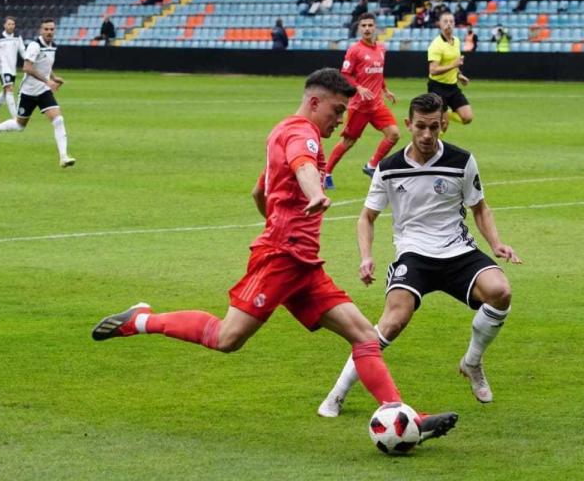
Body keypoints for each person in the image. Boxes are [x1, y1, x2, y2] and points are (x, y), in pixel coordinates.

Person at [91, 69, 458, 442]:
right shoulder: (302, 133)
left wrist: (282, 219)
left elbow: (258, 192)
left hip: (303, 264)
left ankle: (401, 414)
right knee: (227, 338)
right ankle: (141, 320)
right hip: (282, 258)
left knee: (364, 334)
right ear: (314, 103)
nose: (340, 120)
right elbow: (302, 164)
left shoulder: (281, 131)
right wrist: (313, 195)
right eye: (336, 110)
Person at [318, 92, 521, 418]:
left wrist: (496, 243)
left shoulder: (462, 161)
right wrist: (365, 256)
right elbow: (366, 217)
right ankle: (337, 394)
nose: (427, 135)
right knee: (393, 321)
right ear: (408, 124)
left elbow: (480, 208)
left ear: (443, 124)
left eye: (434, 127)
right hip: (414, 254)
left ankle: (471, 362)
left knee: (501, 292)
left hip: (458, 250)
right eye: (421, 127)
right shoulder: (389, 168)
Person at [323, 13, 399, 189]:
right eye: (363, 26)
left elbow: (378, 72)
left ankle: (371, 166)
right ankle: (326, 172)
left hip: (376, 104)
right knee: (349, 142)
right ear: (359, 28)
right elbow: (345, 74)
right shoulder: (354, 50)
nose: (367, 29)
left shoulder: (381, 48)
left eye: (370, 25)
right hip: (360, 106)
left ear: (375, 28)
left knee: (394, 134)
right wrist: (358, 88)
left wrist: (385, 90)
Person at [0, 18, 75, 168]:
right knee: (20, 126)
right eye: (46, 29)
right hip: (28, 92)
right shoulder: (35, 46)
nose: (49, 32)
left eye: (52, 29)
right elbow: (27, 67)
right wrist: (47, 81)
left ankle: (63, 157)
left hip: (44, 92)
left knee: (58, 120)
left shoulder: (53, 46)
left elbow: (45, 64)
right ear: (41, 30)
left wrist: (53, 77)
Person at [427, 9, 472, 125]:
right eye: (445, 21)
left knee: (467, 118)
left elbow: (453, 63)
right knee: (443, 126)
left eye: (451, 22)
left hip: (452, 86)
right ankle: (442, 118)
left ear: (455, 24)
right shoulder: (436, 45)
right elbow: (433, 70)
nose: (449, 24)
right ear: (440, 24)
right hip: (437, 87)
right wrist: (454, 65)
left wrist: (459, 75)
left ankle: (447, 114)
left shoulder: (456, 41)